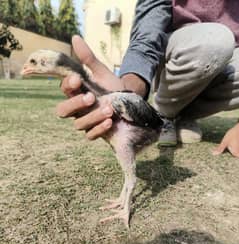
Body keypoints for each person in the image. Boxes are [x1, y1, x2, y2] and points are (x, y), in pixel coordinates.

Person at [57, 0, 239, 157]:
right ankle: (163, 116)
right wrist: (126, 95)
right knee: (215, 40)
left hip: (227, 62)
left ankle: (182, 115)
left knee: (224, 44)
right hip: (182, 53)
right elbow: (146, 37)